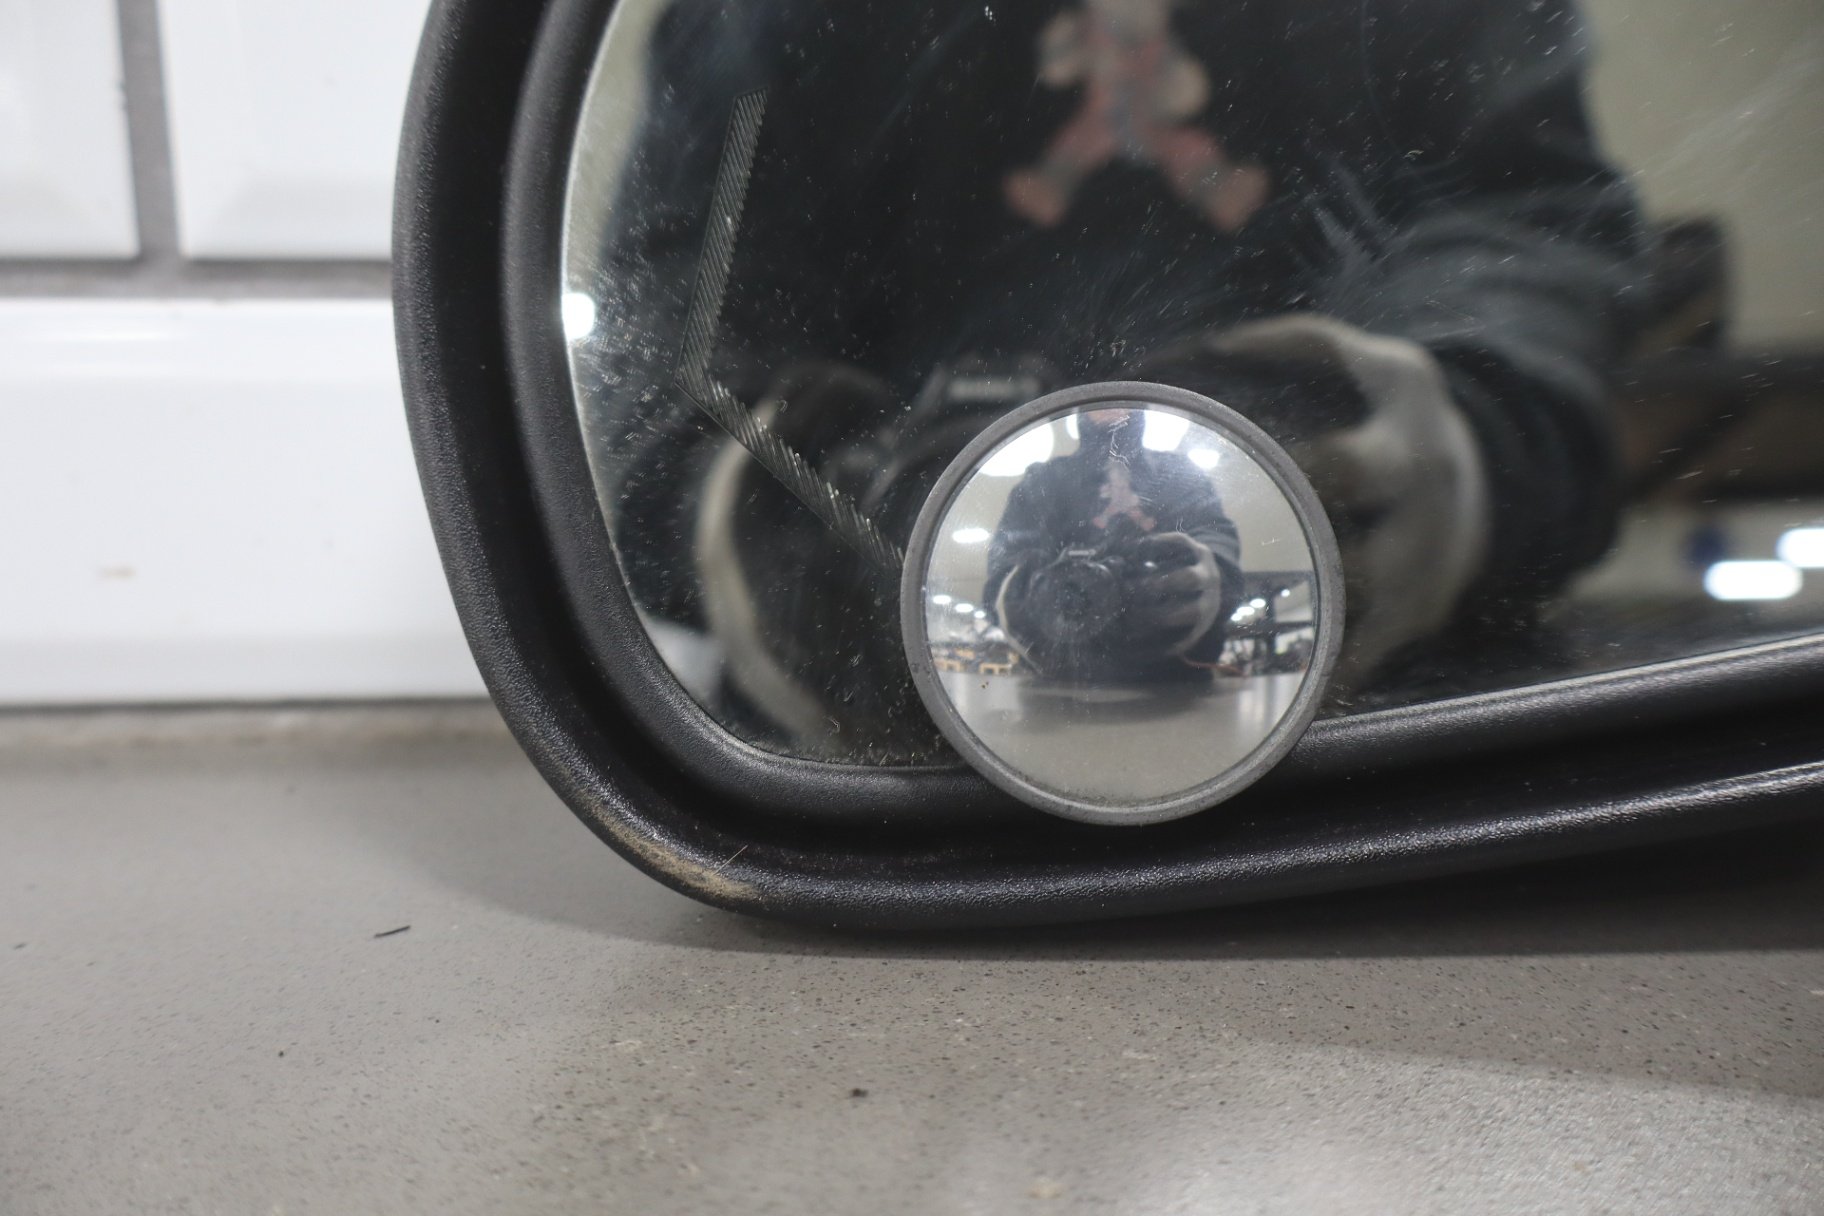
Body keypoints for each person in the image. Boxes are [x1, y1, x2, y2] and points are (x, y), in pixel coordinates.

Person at [581, 0, 1645, 752]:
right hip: (873, 756)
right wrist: (753, 515)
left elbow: (1526, 217)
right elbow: (679, 312)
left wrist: (1456, 430)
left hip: (1386, 732)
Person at [985, 409, 1243, 683]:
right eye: (1094, 389)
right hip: (1061, 675)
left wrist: (1210, 575)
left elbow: (1215, 537)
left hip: (1178, 677)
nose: (1110, 403)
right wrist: (1015, 595)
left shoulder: (1179, 473)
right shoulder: (1041, 481)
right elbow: (1006, 562)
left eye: (1125, 387)